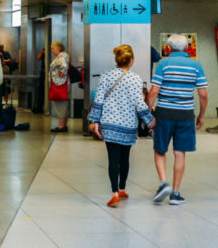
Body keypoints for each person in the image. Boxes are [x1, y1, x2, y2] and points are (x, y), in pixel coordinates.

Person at [88, 45, 154, 208]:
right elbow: (139, 103)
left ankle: (115, 193)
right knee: (125, 158)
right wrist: (149, 119)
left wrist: (96, 121)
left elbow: (99, 100)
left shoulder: (106, 76)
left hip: (109, 123)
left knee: (113, 158)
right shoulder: (136, 79)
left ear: (117, 60)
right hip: (128, 125)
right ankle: (123, 188)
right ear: (131, 61)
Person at [148, 33, 209, 206]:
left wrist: (147, 112)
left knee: (160, 150)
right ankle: (175, 194)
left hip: (165, 113)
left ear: (169, 48)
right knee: (179, 152)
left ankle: (163, 183)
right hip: (185, 115)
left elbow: (154, 91)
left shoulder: (164, 63)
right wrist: (202, 115)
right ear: (187, 48)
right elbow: (203, 94)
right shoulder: (196, 65)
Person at [48, 41, 70, 132]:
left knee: (59, 104)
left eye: (53, 49)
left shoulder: (61, 56)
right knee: (63, 105)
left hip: (58, 84)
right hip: (61, 83)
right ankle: (64, 124)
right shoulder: (64, 55)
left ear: (57, 49)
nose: (52, 50)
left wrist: (62, 72)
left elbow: (64, 66)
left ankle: (61, 126)